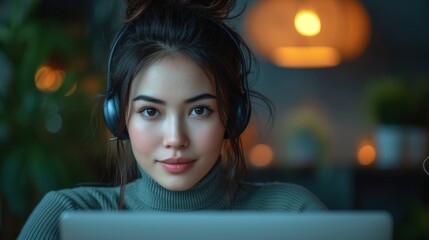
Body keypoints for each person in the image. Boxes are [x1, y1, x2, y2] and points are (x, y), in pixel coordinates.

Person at [19, 0, 326, 239]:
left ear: (232, 116)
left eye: (199, 110)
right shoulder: (64, 217)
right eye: (150, 111)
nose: (175, 138)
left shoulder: (294, 214)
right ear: (118, 117)